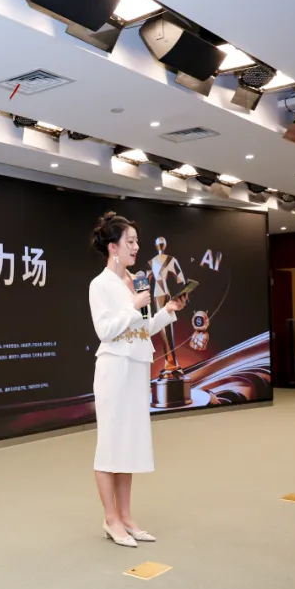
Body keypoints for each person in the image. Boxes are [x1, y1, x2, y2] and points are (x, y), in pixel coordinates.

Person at [88, 212, 188, 548]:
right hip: (114, 370)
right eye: (129, 241)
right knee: (110, 445)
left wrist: (166, 312)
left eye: (136, 241)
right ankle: (110, 519)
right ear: (112, 247)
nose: (136, 247)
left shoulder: (135, 282)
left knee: (128, 444)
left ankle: (127, 516)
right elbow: (105, 331)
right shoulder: (100, 285)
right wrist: (132, 305)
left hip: (136, 369)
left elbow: (141, 329)